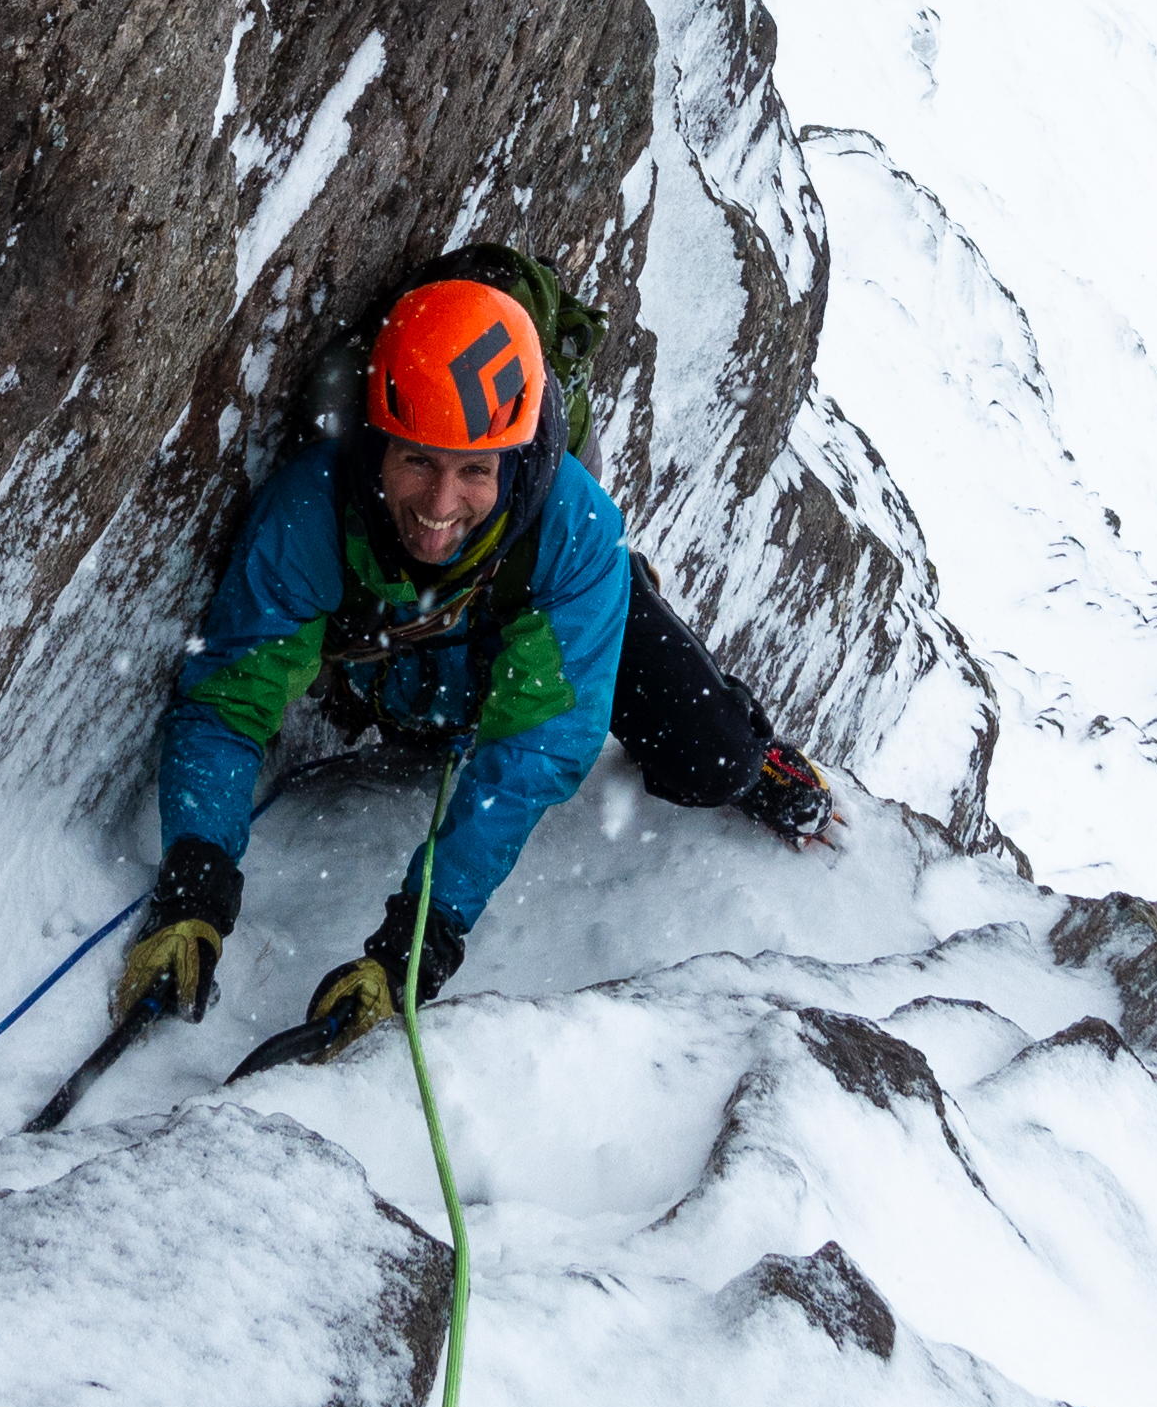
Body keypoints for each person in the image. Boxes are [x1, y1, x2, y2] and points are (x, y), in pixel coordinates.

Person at [116, 262, 843, 1042]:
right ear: (376, 444)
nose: (439, 504)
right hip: (416, 665)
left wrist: (417, 948)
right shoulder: (312, 511)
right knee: (436, 703)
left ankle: (756, 756)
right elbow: (231, 698)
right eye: (417, 460)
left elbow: (531, 754)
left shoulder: (571, 528)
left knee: (712, 756)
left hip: (548, 613)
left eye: (474, 471)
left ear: (517, 464)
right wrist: (194, 888)